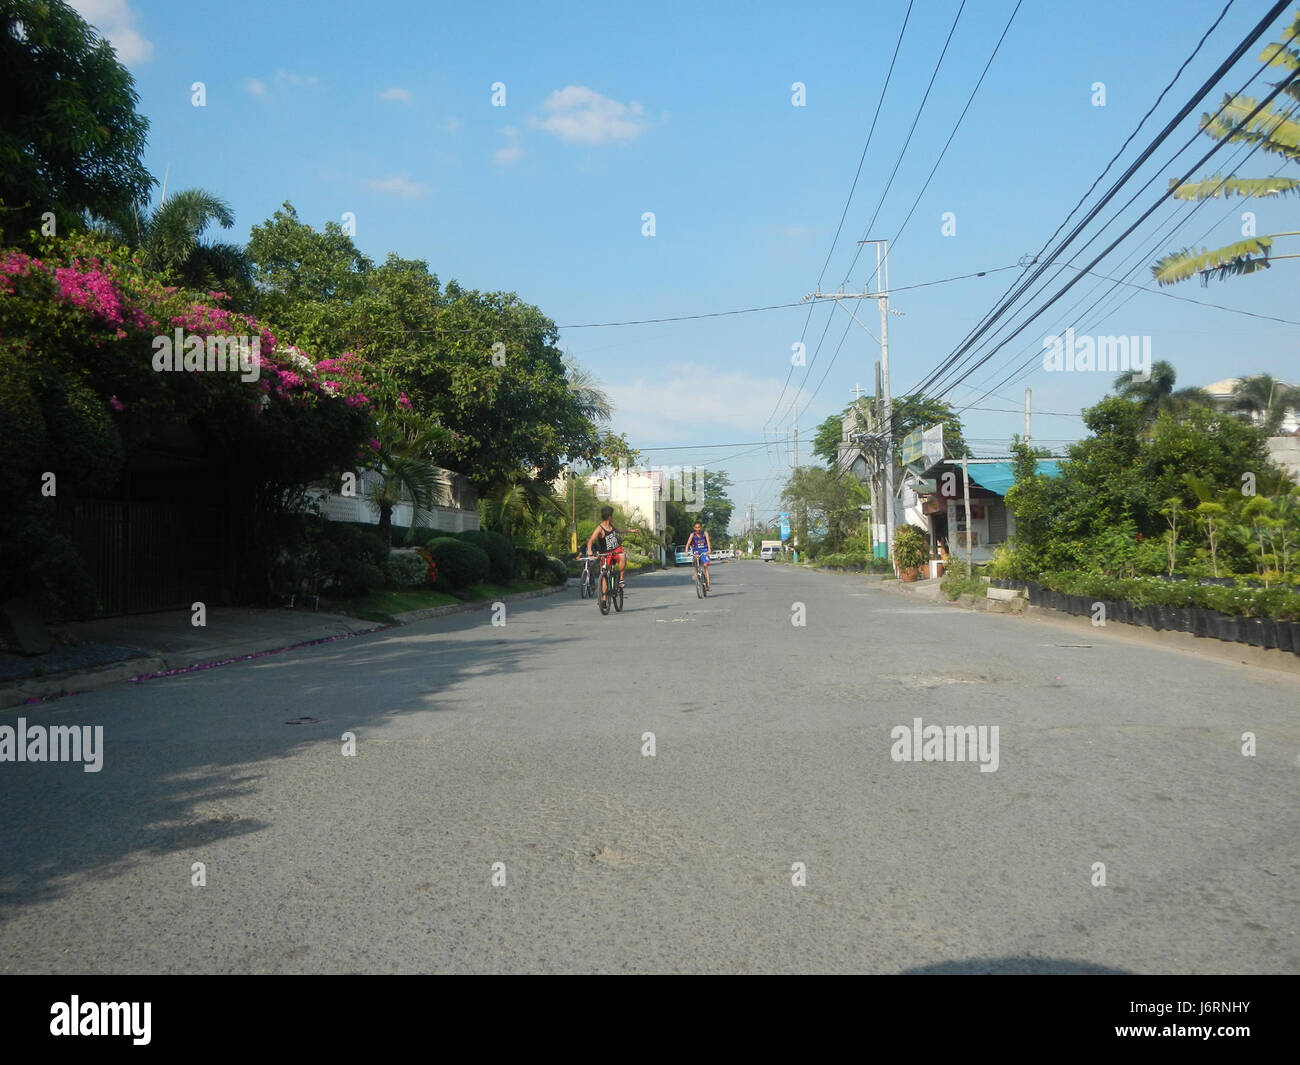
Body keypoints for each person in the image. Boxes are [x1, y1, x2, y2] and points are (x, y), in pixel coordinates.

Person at [584, 507, 639, 591]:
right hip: (606, 553)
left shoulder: (611, 526)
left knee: (622, 555)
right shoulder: (600, 528)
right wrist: (589, 550)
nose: (612, 517)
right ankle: (603, 599)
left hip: (616, 550)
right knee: (604, 576)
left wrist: (631, 531)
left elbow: (619, 531)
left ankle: (621, 579)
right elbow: (591, 540)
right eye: (612, 516)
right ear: (609, 517)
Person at [686, 520, 711, 591]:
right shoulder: (692, 534)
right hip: (696, 550)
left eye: (699, 527)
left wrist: (709, 550)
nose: (698, 529)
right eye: (696, 527)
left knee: (705, 566)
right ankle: (696, 572)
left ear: (701, 527)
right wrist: (686, 552)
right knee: (695, 558)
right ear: (694, 528)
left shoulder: (705, 533)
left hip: (704, 550)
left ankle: (708, 585)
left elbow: (708, 542)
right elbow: (688, 544)